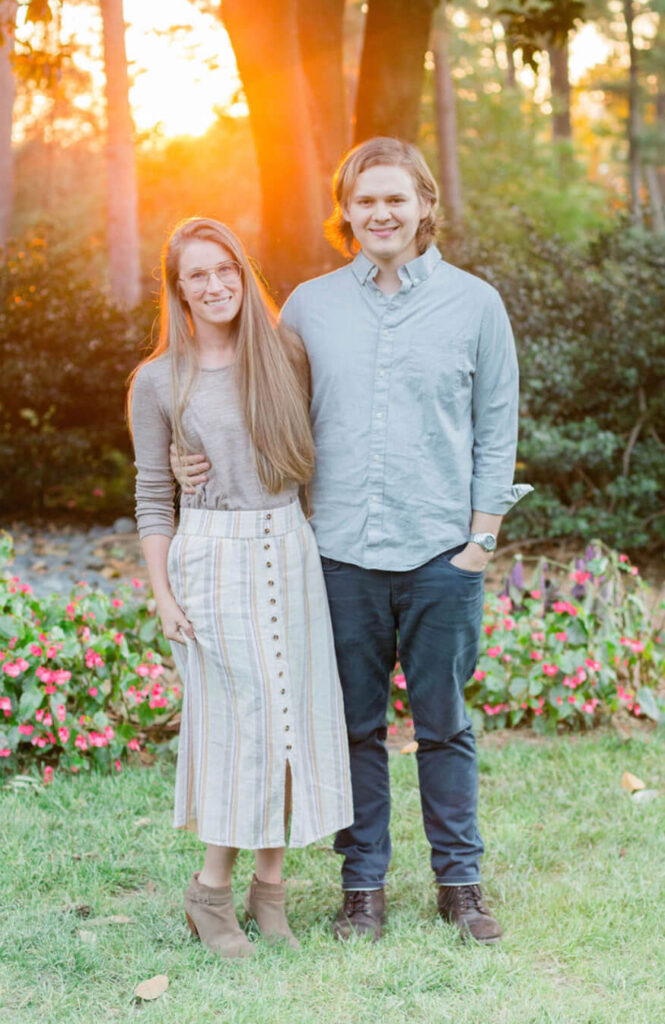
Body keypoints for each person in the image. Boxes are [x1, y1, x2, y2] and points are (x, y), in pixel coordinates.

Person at [174, 138, 531, 945]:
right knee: (354, 728)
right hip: (335, 555)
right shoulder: (307, 305)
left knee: (444, 724)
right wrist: (179, 446)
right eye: (365, 200)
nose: (380, 213)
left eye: (395, 199)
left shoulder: (477, 306)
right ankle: (361, 886)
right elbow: (250, 398)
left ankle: (460, 885)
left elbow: (495, 426)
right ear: (347, 211)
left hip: (443, 554)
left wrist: (480, 540)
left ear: (424, 206)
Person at [128, 217, 352, 959]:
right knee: (241, 723)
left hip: (288, 544)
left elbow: (319, 454)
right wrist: (162, 594)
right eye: (197, 275)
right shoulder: (159, 380)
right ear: (178, 288)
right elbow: (152, 496)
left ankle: (270, 891)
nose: (215, 285)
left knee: (289, 716)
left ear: (241, 271)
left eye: (225, 269)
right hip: (211, 557)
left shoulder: (284, 353)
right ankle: (210, 893)